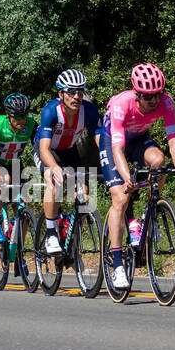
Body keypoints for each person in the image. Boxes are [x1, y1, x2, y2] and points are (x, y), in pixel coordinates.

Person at [100, 63, 175, 290]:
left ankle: (149, 210)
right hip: (112, 141)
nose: (153, 101)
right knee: (121, 199)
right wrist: (127, 179)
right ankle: (117, 265)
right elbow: (117, 149)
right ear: (137, 93)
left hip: (139, 139)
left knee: (159, 161)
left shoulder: (167, 103)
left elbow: (173, 141)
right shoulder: (120, 104)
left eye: (157, 95)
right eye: (147, 96)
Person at [35, 69, 102, 255]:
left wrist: (109, 160)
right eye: (71, 92)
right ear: (61, 94)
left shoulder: (89, 111)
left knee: (83, 194)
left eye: (80, 91)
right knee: (54, 182)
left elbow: (100, 141)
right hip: (48, 151)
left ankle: (69, 232)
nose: (77, 96)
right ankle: (50, 234)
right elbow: (44, 149)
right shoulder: (51, 111)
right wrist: (55, 168)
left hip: (70, 152)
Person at [0, 93, 38, 247]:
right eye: (17, 116)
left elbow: (42, 148)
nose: (21, 120)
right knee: (4, 180)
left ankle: (18, 250)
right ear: (8, 114)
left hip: (14, 163)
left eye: (24, 115)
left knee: (21, 204)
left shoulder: (31, 125)